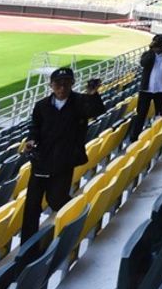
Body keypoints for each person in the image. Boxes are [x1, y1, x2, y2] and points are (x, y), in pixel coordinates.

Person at [21, 67, 105, 240]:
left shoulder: (81, 101)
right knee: (31, 206)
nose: (62, 88)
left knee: (56, 199)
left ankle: (81, 216)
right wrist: (30, 141)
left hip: (64, 160)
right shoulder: (42, 105)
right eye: (58, 84)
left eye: (66, 84)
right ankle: (27, 248)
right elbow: (34, 128)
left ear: (72, 84)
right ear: (51, 85)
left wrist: (92, 94)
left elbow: (96, 111)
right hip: (41, 160)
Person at [130, 34, 162, 141]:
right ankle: (134, 138)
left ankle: (157, 136)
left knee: (159, 114)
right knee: (141, 114)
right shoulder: (148, 54)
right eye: (156, 46)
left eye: (160, 46)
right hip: (146, 89)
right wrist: (151, 50)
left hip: (161, 89)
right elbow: (143, 63)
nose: (157, 49)